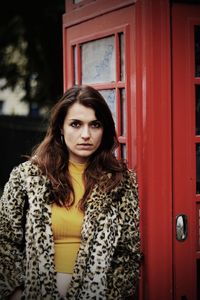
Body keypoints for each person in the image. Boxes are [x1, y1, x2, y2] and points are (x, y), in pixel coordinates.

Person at [0, 85, 141, 300]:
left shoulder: (122, 181)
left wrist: (111, 296)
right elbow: (5, 239)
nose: (86, 134)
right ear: (61, 128)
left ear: (104, 130)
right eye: (76, 124)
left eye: (95, 125)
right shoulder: (28, 176)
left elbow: (128, 254)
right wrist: (15, 293)